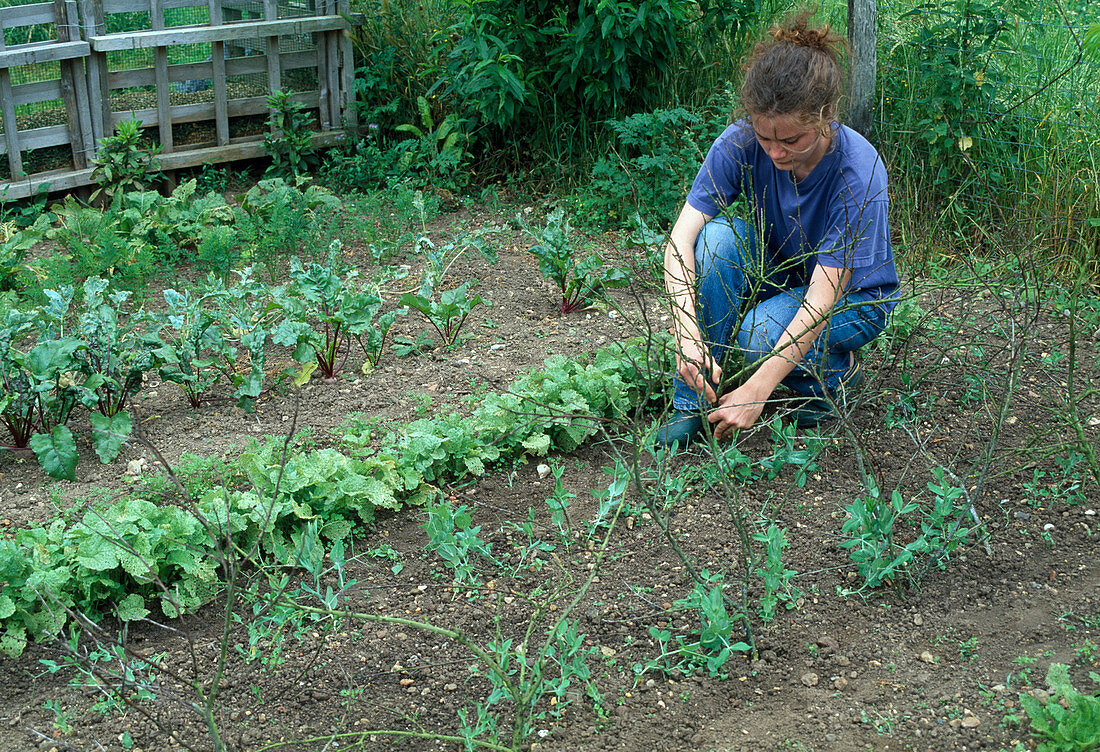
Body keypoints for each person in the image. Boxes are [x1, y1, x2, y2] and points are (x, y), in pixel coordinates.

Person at [657, 11, 898, 448]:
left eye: (790, 140)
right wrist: (687, 337)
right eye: (765, 138)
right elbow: (679, 241)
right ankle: (691, 399)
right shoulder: (741, 141)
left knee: (758, 338)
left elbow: (822, 299)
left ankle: (833, 380)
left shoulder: (857, 173)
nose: (774, 152)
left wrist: (757, 392)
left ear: (825, 117)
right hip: (784, 273)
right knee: (715, 241)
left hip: (853, 298)